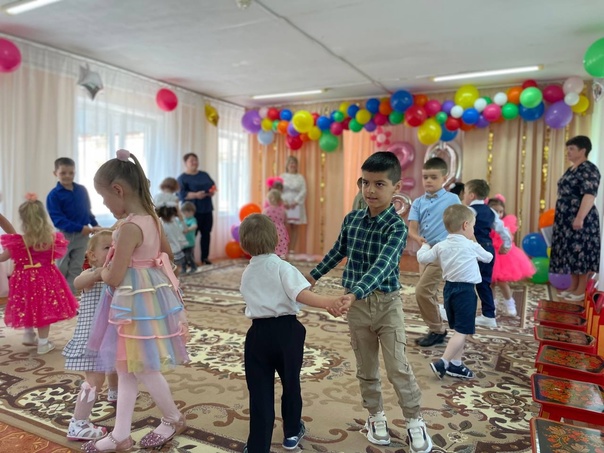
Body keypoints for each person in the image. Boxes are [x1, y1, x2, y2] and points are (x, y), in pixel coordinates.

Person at [310, 152, 433, 453]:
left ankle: (414, 420)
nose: (370, 190)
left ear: (396, 188)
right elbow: (337, 251)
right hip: (357, 310)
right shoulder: (352, 220)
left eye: (379, 184)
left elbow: (382, 266)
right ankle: (375, 416)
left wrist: (353, 293)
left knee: (397, 367)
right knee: (366, 367)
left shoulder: (397, 228)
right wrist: (312, 276)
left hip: (386, 306)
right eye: (365, 182)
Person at [82, 149, 189, 452]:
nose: (105, 204)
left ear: (118, 190)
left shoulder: (129, 227)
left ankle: (173, 418)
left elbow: (114, 277)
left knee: (142, 367)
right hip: (147, 298)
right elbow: (167, 254)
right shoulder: (151, 219)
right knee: (126, 367)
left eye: (104, 198)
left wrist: (98, 272)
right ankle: (121, 434)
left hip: (134, 302)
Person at [238, 213, 350, 453]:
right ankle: (291, 433)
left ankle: (258, 446)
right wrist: (328, 302)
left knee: (259, 392)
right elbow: (300, 294)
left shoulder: (247, 272)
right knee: (290, 383)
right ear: (276, 238)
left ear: (243, 245)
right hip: (286, 333)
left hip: (257, 335)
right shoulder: (282, 267)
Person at [418, 205, 493, 380]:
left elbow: (423, 258)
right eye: (473, 226)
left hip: (449, 290)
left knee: (459, 328)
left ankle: (456, 365)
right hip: (466, 293)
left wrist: (425, 245)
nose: (473, 230)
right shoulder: (470, 245)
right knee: (462, 331)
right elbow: (488, 257)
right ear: (466, 225)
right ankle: (443, 362)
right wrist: (475, 241)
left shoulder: (441, 246)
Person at [0, 194, 78, 355]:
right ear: (43, 217)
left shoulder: (18, 241)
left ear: (23, 220)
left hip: (23, 279)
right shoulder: (52, 239)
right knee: (44, 308)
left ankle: (29, 334)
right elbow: (59, 255)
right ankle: (43, 343)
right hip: (46, 278)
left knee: (28, 304)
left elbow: (3, 257)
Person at [63, 229, 118, 441]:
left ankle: (114, 392)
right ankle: (78, 423)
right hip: (92, 339)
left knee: (115, 364)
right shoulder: (90, 275)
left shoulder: (116, 274)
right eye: (107, 247)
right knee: (95, 378)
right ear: (92, 256)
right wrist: (98, 273)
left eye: (116, 247)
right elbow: (78, 283)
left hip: (111, 334)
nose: (113, 251)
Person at [408, 157, 461, 347]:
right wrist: (417, 238)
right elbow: (412, 228)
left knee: (422, 291)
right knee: (428, 292)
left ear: (444, 178)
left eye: (433, 177)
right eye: (425, 177)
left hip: (443, 252)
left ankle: (437, 330)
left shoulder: (452, 200)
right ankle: (437, 329)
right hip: (425, 252)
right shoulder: (418, 202)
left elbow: (463, 223)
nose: (428, 181)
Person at [550, 135, 601, 301]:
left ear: (583, 150)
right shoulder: (571, 169)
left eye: (572, 149)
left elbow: (589, 195)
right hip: (565, 218)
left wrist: (580, 217)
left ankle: (581, 290)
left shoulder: (589, 169)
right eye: (568, 149)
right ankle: (572, 286)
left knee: (580, 252)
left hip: (581, 217)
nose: (568, 152)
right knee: (570, 251)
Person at [462, 180, 512, 328]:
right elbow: (503, 230)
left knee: (463, 280)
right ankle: (488, 315)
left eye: (465, 193)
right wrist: (506, 245)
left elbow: (463, 230)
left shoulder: (469, 211)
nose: (464, 196)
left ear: (471, 195)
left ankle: (459, 311)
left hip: (473, 249)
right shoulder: (491, 212)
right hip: (488, 248)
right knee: (484, 283)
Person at [46, 157, 100, 294]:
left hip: (83, 237)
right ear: (55, 173)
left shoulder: (81, 190)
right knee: (61, 266)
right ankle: (57, 294)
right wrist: (80, 228)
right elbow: (58, 220)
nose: (67, 176)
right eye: (63, 173)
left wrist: (95, 224)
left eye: (71, 173)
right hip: (64, 236)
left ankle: (71, 296)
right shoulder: (53, 195)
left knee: (76, 266)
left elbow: (87, 211)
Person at [487, 195, 535, 316]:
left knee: (502, 282)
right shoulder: (485, 222)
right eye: (495, 211)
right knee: (490, 283)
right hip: (489, 254)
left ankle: (510, 303)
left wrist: (505, 246)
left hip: (503, 255)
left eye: (501, 211)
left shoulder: (505, 223)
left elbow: (507, 238)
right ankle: (492, 305)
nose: (498, 214)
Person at [177, 153, 216, 265]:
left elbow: (212, 187)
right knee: (190, 235)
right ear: (185, 163)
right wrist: (195, 195)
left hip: (207, 209)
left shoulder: (204, 175)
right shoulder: (182, 178)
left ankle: (205, 258)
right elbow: (180, 195)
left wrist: (211, 192)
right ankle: (189, 260)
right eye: (191, 160)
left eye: (196, 160)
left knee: (206, 234)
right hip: (191, 212)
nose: (194, 162)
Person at [280, 156, 307, 255]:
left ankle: (292, 250)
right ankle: (283, 249)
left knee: (295, 227)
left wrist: (296, 201)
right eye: (290, 163)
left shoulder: (300, 177)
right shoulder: (282, 176)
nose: (292, 165)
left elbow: (304, 191)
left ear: (297, 165)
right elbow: (278, 190)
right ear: (287, 165)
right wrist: (284, 202)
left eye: (294, 163)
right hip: (285, 205)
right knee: (284, 226)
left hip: (296, 205)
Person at [156, 203, 188, 275]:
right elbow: (186, 230)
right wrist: (182, 219)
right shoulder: (175, 222)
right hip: (177, 251)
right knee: (175, 270)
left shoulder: (162, 225)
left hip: (168, 252)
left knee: (169, 272)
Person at [263, 189, 289, 259]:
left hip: (270, 230)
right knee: (280, 244)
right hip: (281, 231)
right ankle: (280, 257)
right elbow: (286, 222)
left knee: (271, 244)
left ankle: (270, 257)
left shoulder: (266, 210)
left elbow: (263, 221)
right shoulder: (283, 211)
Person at [180, 202, 200, 274]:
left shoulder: (192, 220)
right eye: (184, 212)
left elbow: (194, 226)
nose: (186, 214)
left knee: (188, 256)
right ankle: (183, 269)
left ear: (193, 212)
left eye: (188, 212)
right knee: (182, 257)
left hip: (190, 243)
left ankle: (194, 267)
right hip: (182, 243)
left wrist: (188, 229)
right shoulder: (182, 220)